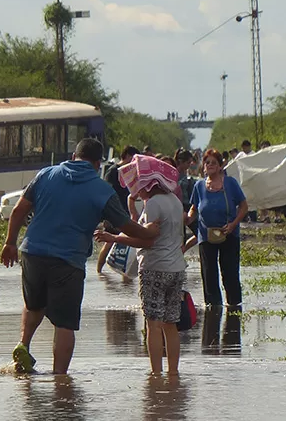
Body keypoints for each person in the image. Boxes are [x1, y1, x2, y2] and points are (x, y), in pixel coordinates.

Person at [1, 138, 159, 375]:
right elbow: (126, 225)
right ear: (98, 164)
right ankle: (59, 378)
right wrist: (149, 234)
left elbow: (18, 210)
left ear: (74, 156)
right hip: (67, 261)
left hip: (32, 252)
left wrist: (9, 243)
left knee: (34, 305)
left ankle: (23, 344)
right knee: (64, 324)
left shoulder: (46, 174)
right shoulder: (102, 190)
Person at [94, 156, 187, 375]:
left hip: (155, 268)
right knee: (170, 324)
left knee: (153, 324)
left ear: (148, 182)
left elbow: (147, 240)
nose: (136, 191)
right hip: (176, 268)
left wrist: (114, 238)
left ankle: (155, 374)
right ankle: (173, 373)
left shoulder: (153, 203)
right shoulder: (174, 200)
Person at [187, 149, 249, 308]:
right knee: (209, 274)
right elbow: (194, 208)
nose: (210, 165)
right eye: (207, 162)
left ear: (221, 165)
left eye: (214, 162)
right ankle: (213, 309)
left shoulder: (230, 183)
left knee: (230, 273)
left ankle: (234, 307)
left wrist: (234, 224)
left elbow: (243, 206)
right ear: (203, 166)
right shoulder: (199, 186)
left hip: (229, 234)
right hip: (206, 236)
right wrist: (186, 219)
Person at [97, 145, 139, 274]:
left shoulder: (129, 171)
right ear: (126, 156)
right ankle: (99, 271)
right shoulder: (113, 170)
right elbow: (105, 189)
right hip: (112, 211)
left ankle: (125, 273)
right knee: (109, 241)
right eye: (133, 158)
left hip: (124, 211)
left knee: (128, 240)